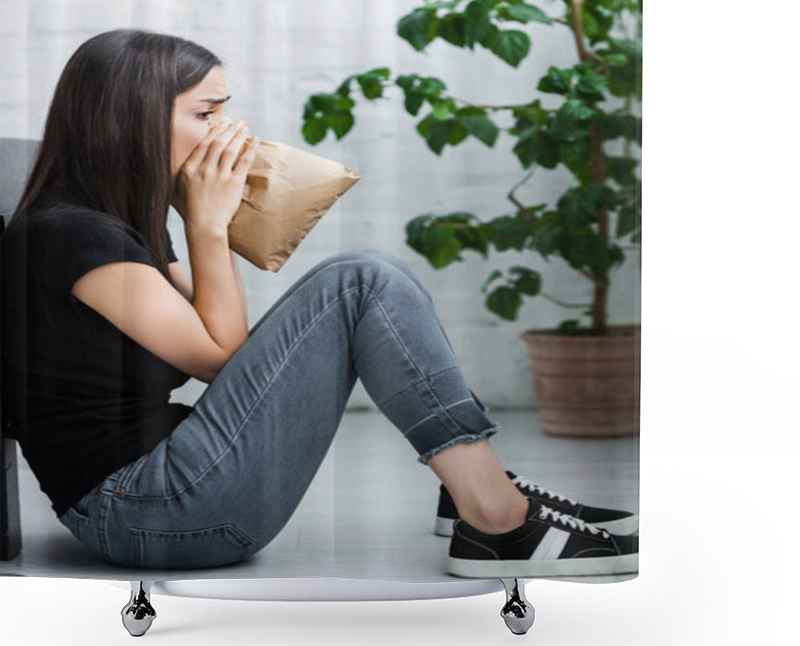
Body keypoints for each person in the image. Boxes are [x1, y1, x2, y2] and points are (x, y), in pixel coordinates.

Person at [0, 28, 638, 578]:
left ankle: (480, 490)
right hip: (148, 512)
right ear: (133, 119)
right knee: (359, 281)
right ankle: (497, 518)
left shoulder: (115, 220)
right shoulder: (72, 232)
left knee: (365, 278)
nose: (225, 131)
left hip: (168, 486)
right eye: (205, 113)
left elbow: (225, 347)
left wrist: (199, 220)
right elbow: (220, 359)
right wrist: (208, 226)